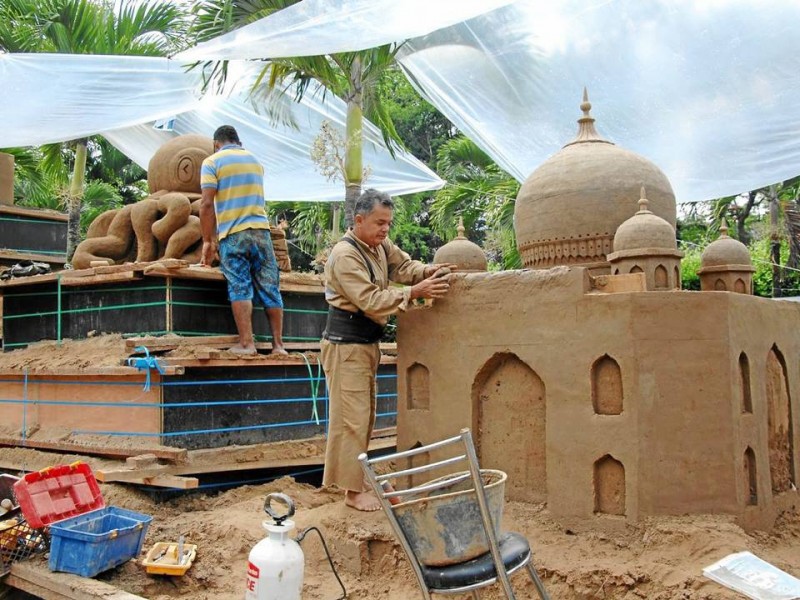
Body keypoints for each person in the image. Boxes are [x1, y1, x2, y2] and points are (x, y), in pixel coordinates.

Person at [321, 188, 456, 511]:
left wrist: (427, 272)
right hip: (346, 346)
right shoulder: (345, 255)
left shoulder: (378, 245)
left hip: (366, 344)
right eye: (380, 222)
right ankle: (352, 493)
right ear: (358, 219)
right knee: (351, 419)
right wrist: (414, 291)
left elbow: (404, 267)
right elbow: (370, 299)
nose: (385, 229)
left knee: (363, 417)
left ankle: (355, 480)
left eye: (389, 224)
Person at [199, 125, 287, 356]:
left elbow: (207, 203)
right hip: (261, 231)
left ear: (216, 143)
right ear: (238, 141)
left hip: (234, 232)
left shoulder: (212, 162)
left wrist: (208, 240)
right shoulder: (255, 161)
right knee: (270, 285)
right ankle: (278, 346)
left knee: (239, 285)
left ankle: (247, 344)